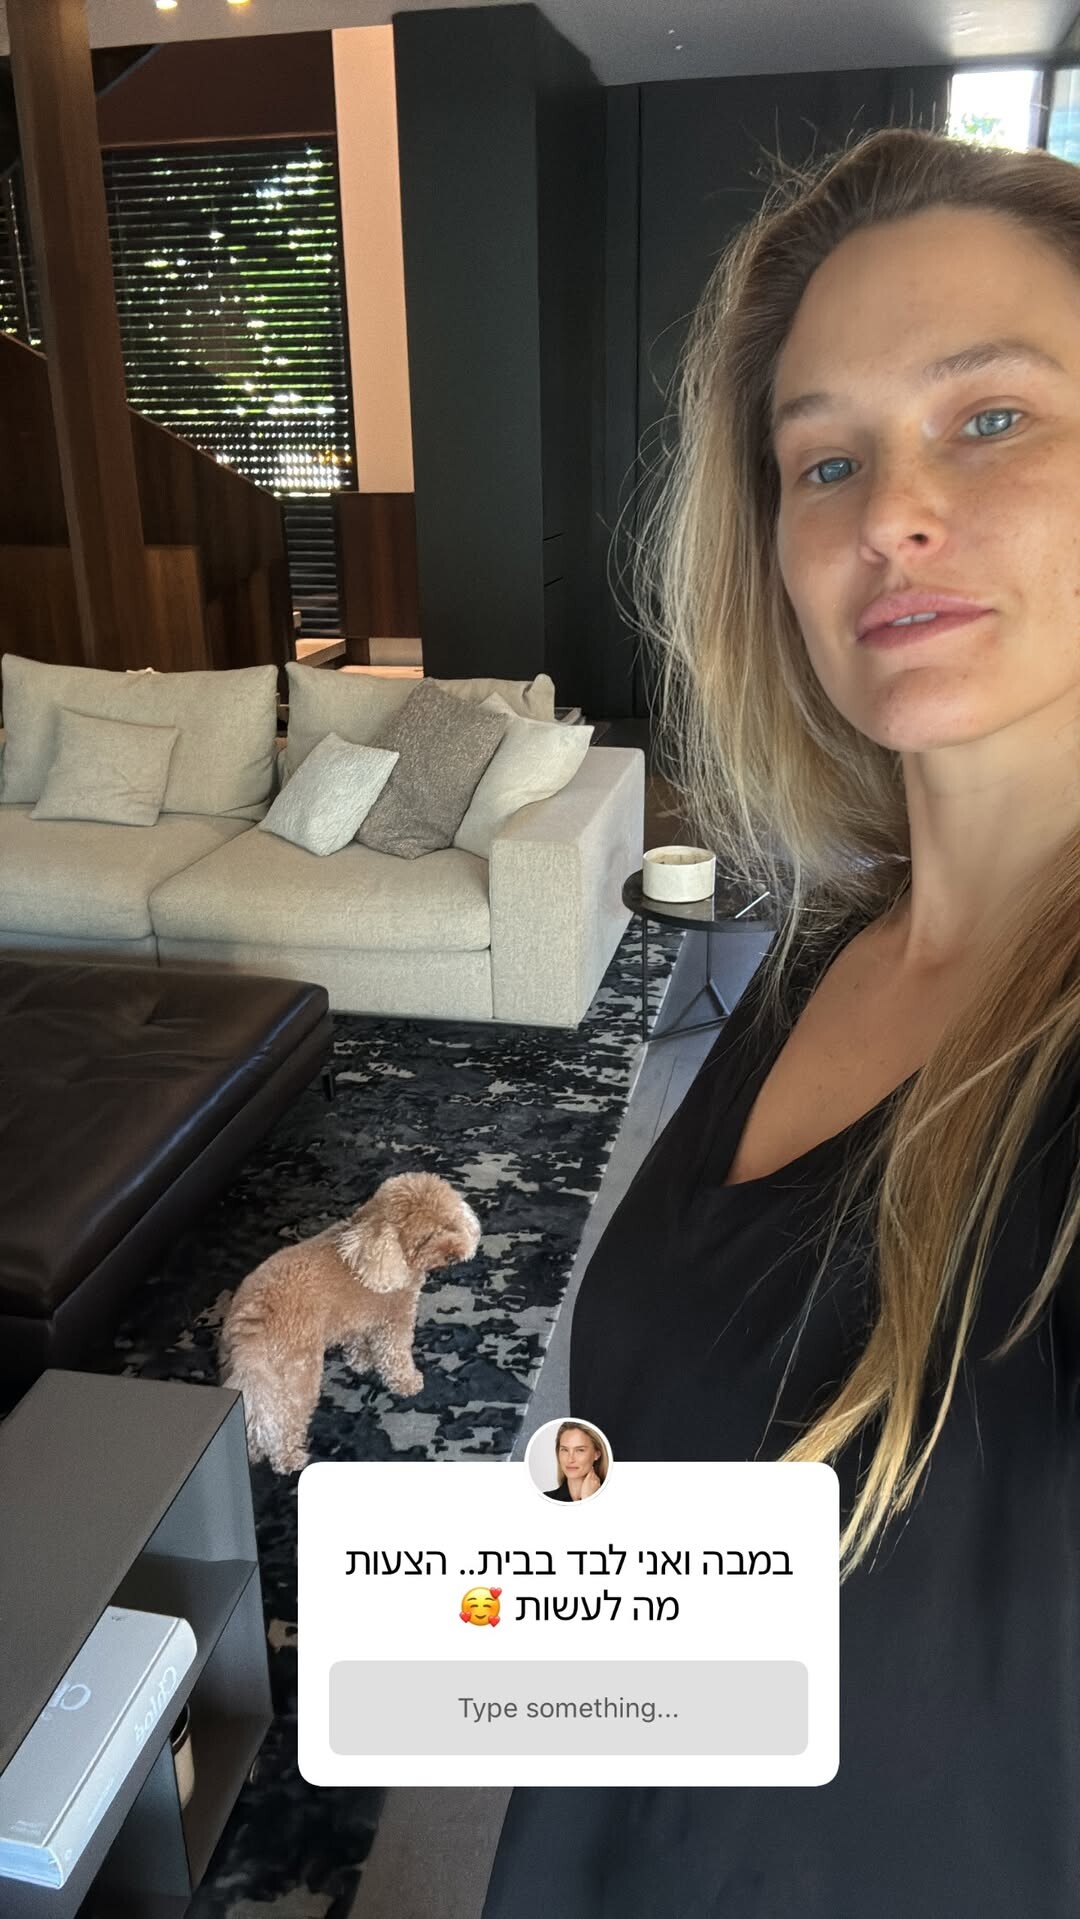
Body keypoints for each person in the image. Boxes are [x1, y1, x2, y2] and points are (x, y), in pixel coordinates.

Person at [482, 125, 1080, 1917]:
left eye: (992, 415)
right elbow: (694, 1518)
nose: (889, 511)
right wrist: (413, 1634)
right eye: (826, 458)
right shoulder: (819, 948)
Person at [543, 1420, 608, 1500]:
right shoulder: (545, 1498)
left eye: (580, 1450)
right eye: (565, 1450)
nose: (570, 1459)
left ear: (597, 1454)